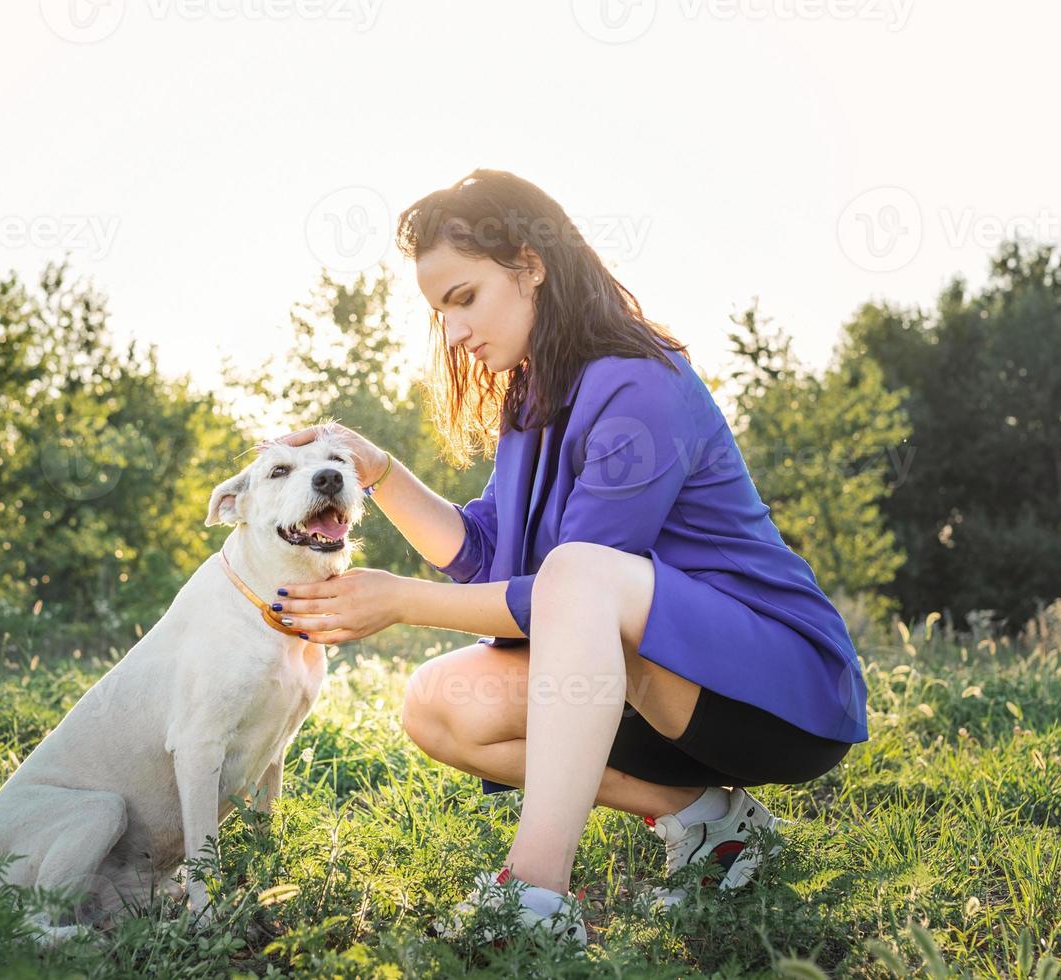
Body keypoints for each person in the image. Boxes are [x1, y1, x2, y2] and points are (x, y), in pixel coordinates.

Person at [271, 167, 869, 947]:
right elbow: (487, 556)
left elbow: (570, 592)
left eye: (464, 299)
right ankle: (711, 822)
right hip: (645, 684)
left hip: (777, 695)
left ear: (531, 263)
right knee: (436, 703)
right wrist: (378, 469)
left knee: (580, 575)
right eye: (438, 312)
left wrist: (398, 600)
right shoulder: (533, 397)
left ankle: (535, 896)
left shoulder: (641, 386)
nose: (453, 333)